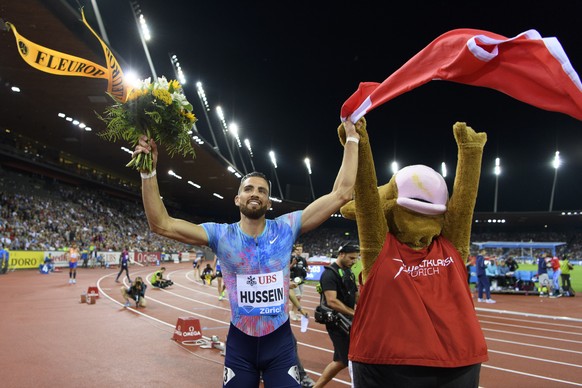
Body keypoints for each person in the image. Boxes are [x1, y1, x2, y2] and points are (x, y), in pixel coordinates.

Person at [133, 118, 361, 387]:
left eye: (262, 190)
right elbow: (161, 224)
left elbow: (342, 193)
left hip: (280, 344)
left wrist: (352, 138)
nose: (256, 193)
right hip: (240, 345)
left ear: (268, 201)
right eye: (249, 189)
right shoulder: (221, 235)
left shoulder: (287, 228)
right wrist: (148, 172)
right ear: (238, 199)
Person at [314, 242, 360, 388]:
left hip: (349, 320)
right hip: (337, 322)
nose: (354, 262)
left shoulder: (349, 273)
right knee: (347, 360)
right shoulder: (329, 274)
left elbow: (357, 296)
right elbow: (332, 301)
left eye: (356, 259)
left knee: (343, 360)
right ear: (341, 254)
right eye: (351, 258)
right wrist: (355, 313)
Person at [289, 280, 315, 388]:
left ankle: (301, 376)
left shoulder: (277, 268)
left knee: (291, 343)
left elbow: (289, 290)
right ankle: (302, 376)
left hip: (277, 318)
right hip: (256, 320)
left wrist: (300, 309)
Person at [290, 244, 309, 321]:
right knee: (297, 297)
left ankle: (293, 313)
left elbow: (306, 267)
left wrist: (307, 270)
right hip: (293, 280)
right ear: (295, 251)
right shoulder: (290, 258)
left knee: (299, 298)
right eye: (297, 249)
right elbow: (287, 268)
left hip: (300, 280)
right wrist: (293, 264)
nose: (299, 251)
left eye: (300, 249)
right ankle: (292, 312)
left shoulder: (303, 259)